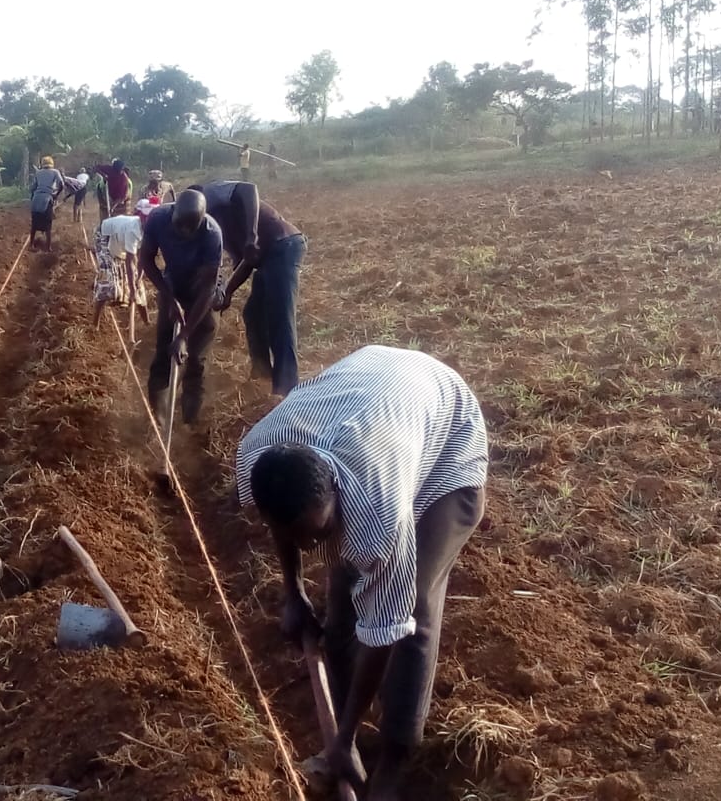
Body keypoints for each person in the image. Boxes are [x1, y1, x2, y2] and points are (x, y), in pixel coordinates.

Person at [236, 346, 488, 801]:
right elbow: (285, 521)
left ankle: (392, 759)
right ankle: (342, 723)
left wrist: (346, 738)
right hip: (375, 391)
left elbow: (387, 625)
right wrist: (293, 592)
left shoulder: (379, 513)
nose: (313, 547)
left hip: (449, 446)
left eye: (320, 531)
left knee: (411, 606)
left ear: (334, 487)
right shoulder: (258, 454)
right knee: (345, 597)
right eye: (300, 538)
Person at [193, 180, 306, 396]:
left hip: (283, 245)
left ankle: (287, 390)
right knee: (253, 314)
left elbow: (249, 188)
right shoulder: (212, 228)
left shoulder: (211, 194)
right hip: (266, 257)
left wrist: (251, 235)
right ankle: (262, 375)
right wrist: (227, 291)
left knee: (280, 320)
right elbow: (247, 260)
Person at [139, 189, 223, 424]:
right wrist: (169, 297)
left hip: (200, 295)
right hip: (172, 286)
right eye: (179, 227)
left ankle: (190, 422)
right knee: (164, 352)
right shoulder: (158, 219)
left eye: (191, 228)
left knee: (196, 360)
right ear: (172, 211)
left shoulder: (211, 233)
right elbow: (146, 259)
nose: (184, 233)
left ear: (202, 220)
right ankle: (159, 417)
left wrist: (185, 334)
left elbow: (208, 288)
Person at [90, 210, 149, 330]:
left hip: (119, 240)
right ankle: (94, 323)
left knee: (139, 286)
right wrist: (132, 289)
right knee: (107, 278)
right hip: (105, 235)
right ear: (143, 219)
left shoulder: (153, 231)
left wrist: (138, 279)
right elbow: (129, 262)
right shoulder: (133, 230)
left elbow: (143, 258)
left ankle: (147, 322)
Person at [29, 155, 65, 250]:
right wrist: (56, 194)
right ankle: (48, 247)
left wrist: (32, 196)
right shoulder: (55, 172)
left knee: (34, 224)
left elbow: (33, 187)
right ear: (51, 164)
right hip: (47, 199)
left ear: (42, 164)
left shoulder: (38, 173)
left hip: (36, 199)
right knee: (48, 224)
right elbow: (61, 184)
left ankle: (31, 245)